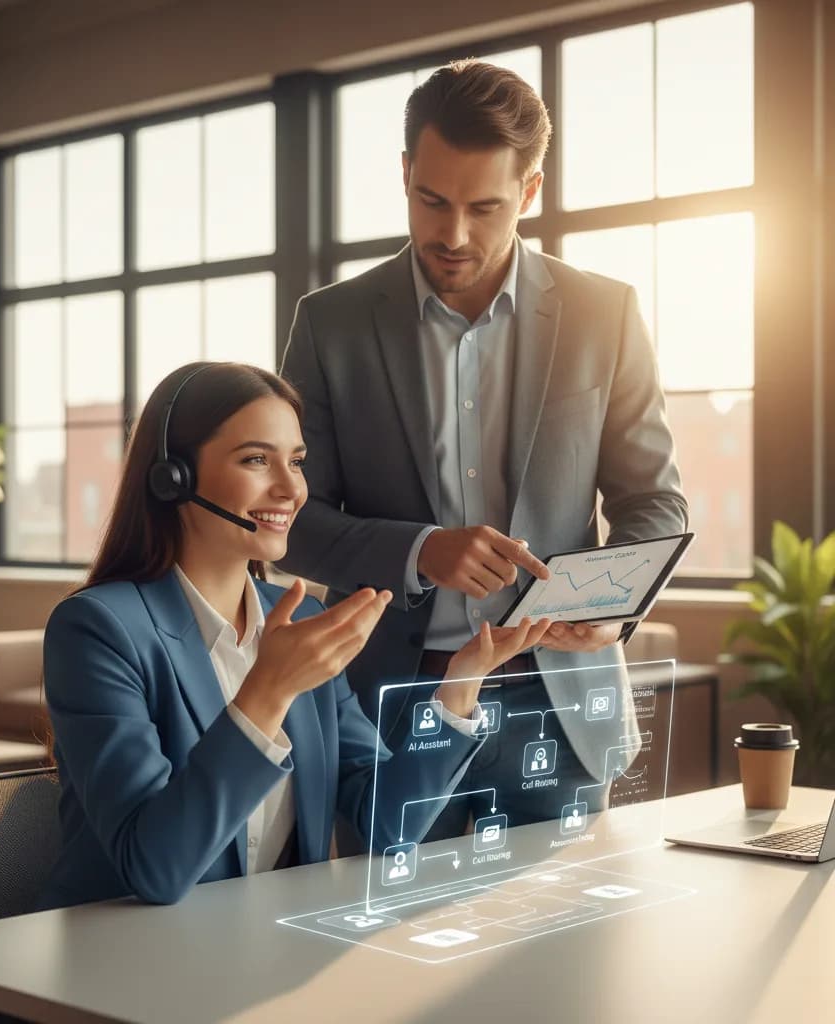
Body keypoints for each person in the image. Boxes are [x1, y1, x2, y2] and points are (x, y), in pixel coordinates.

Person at [279, 59, 688, 838]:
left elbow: (654, 502)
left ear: (530, 191)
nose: (453, 234)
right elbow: (294, 523)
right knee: (387, 948)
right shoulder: (329, 326)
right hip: (390, 701)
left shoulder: (606, 315)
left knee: (563, 950)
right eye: (431, 200)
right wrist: (421, 551)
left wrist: (611, 608)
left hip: (559, 700)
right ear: (404, 173)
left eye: (484, 206)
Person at [37, 361, 549, 909]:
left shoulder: (300, 621)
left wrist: (460, 686)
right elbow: (154, 868)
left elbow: (387, 822)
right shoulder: (97, 630)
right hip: (124, 959)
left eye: (297, 462)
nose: (291, 489)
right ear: (174, 476)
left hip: (260, 946)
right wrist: (269, 691)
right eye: (257, 459)